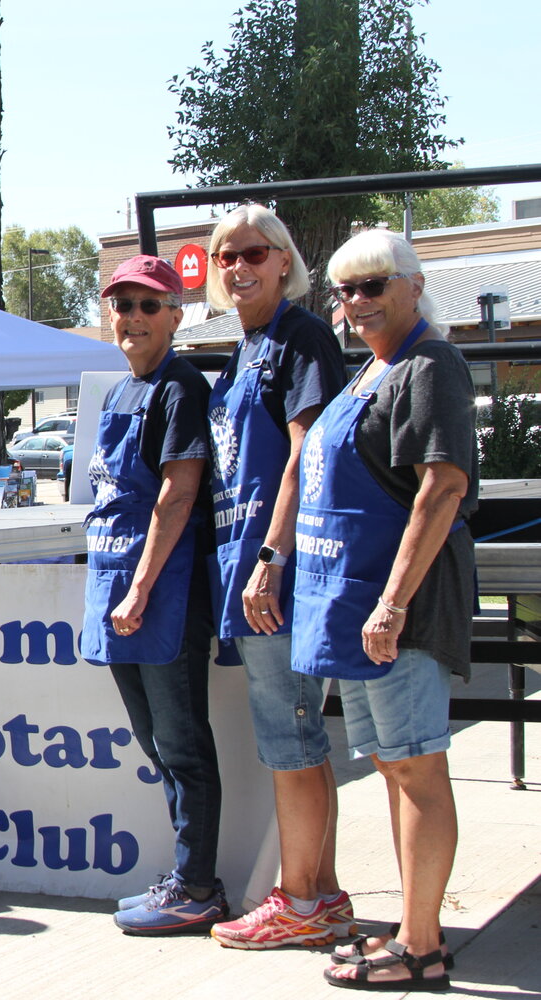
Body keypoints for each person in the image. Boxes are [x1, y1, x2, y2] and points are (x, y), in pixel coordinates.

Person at [296, 231, 473, 993]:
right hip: (357, 611)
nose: (357, 302)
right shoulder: (375, 369)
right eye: (344, 291)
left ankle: (423, 943)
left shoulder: (433, 366)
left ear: (413, 285)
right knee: (395, 768)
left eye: (373, 286)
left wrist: (393, 603)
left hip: (401, 610)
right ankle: (410, 931)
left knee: (419, 767)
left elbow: (442, 490)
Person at [198, 206, 356, 950]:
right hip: (245, 575)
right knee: (296, 739)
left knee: (291, 741)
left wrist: (271, 557)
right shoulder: (244, 349)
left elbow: (307, 456)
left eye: (254, 254)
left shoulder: (302, 338)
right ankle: (318, 895)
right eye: (225, 256)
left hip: (277, 577)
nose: (239, 267)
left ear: (285, 261)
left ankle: (298, 899)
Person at [81, 255, 226, 935]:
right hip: (115, 591)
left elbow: (180, 491)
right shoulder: (116, 393)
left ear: (175, 314)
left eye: (147, 305)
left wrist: (139, 588)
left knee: (183, 744)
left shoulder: (180, 388)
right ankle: (182, 878)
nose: (132, 317)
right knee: (154, 745)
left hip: (162, 595)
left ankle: (198, 885)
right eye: (122, 304)